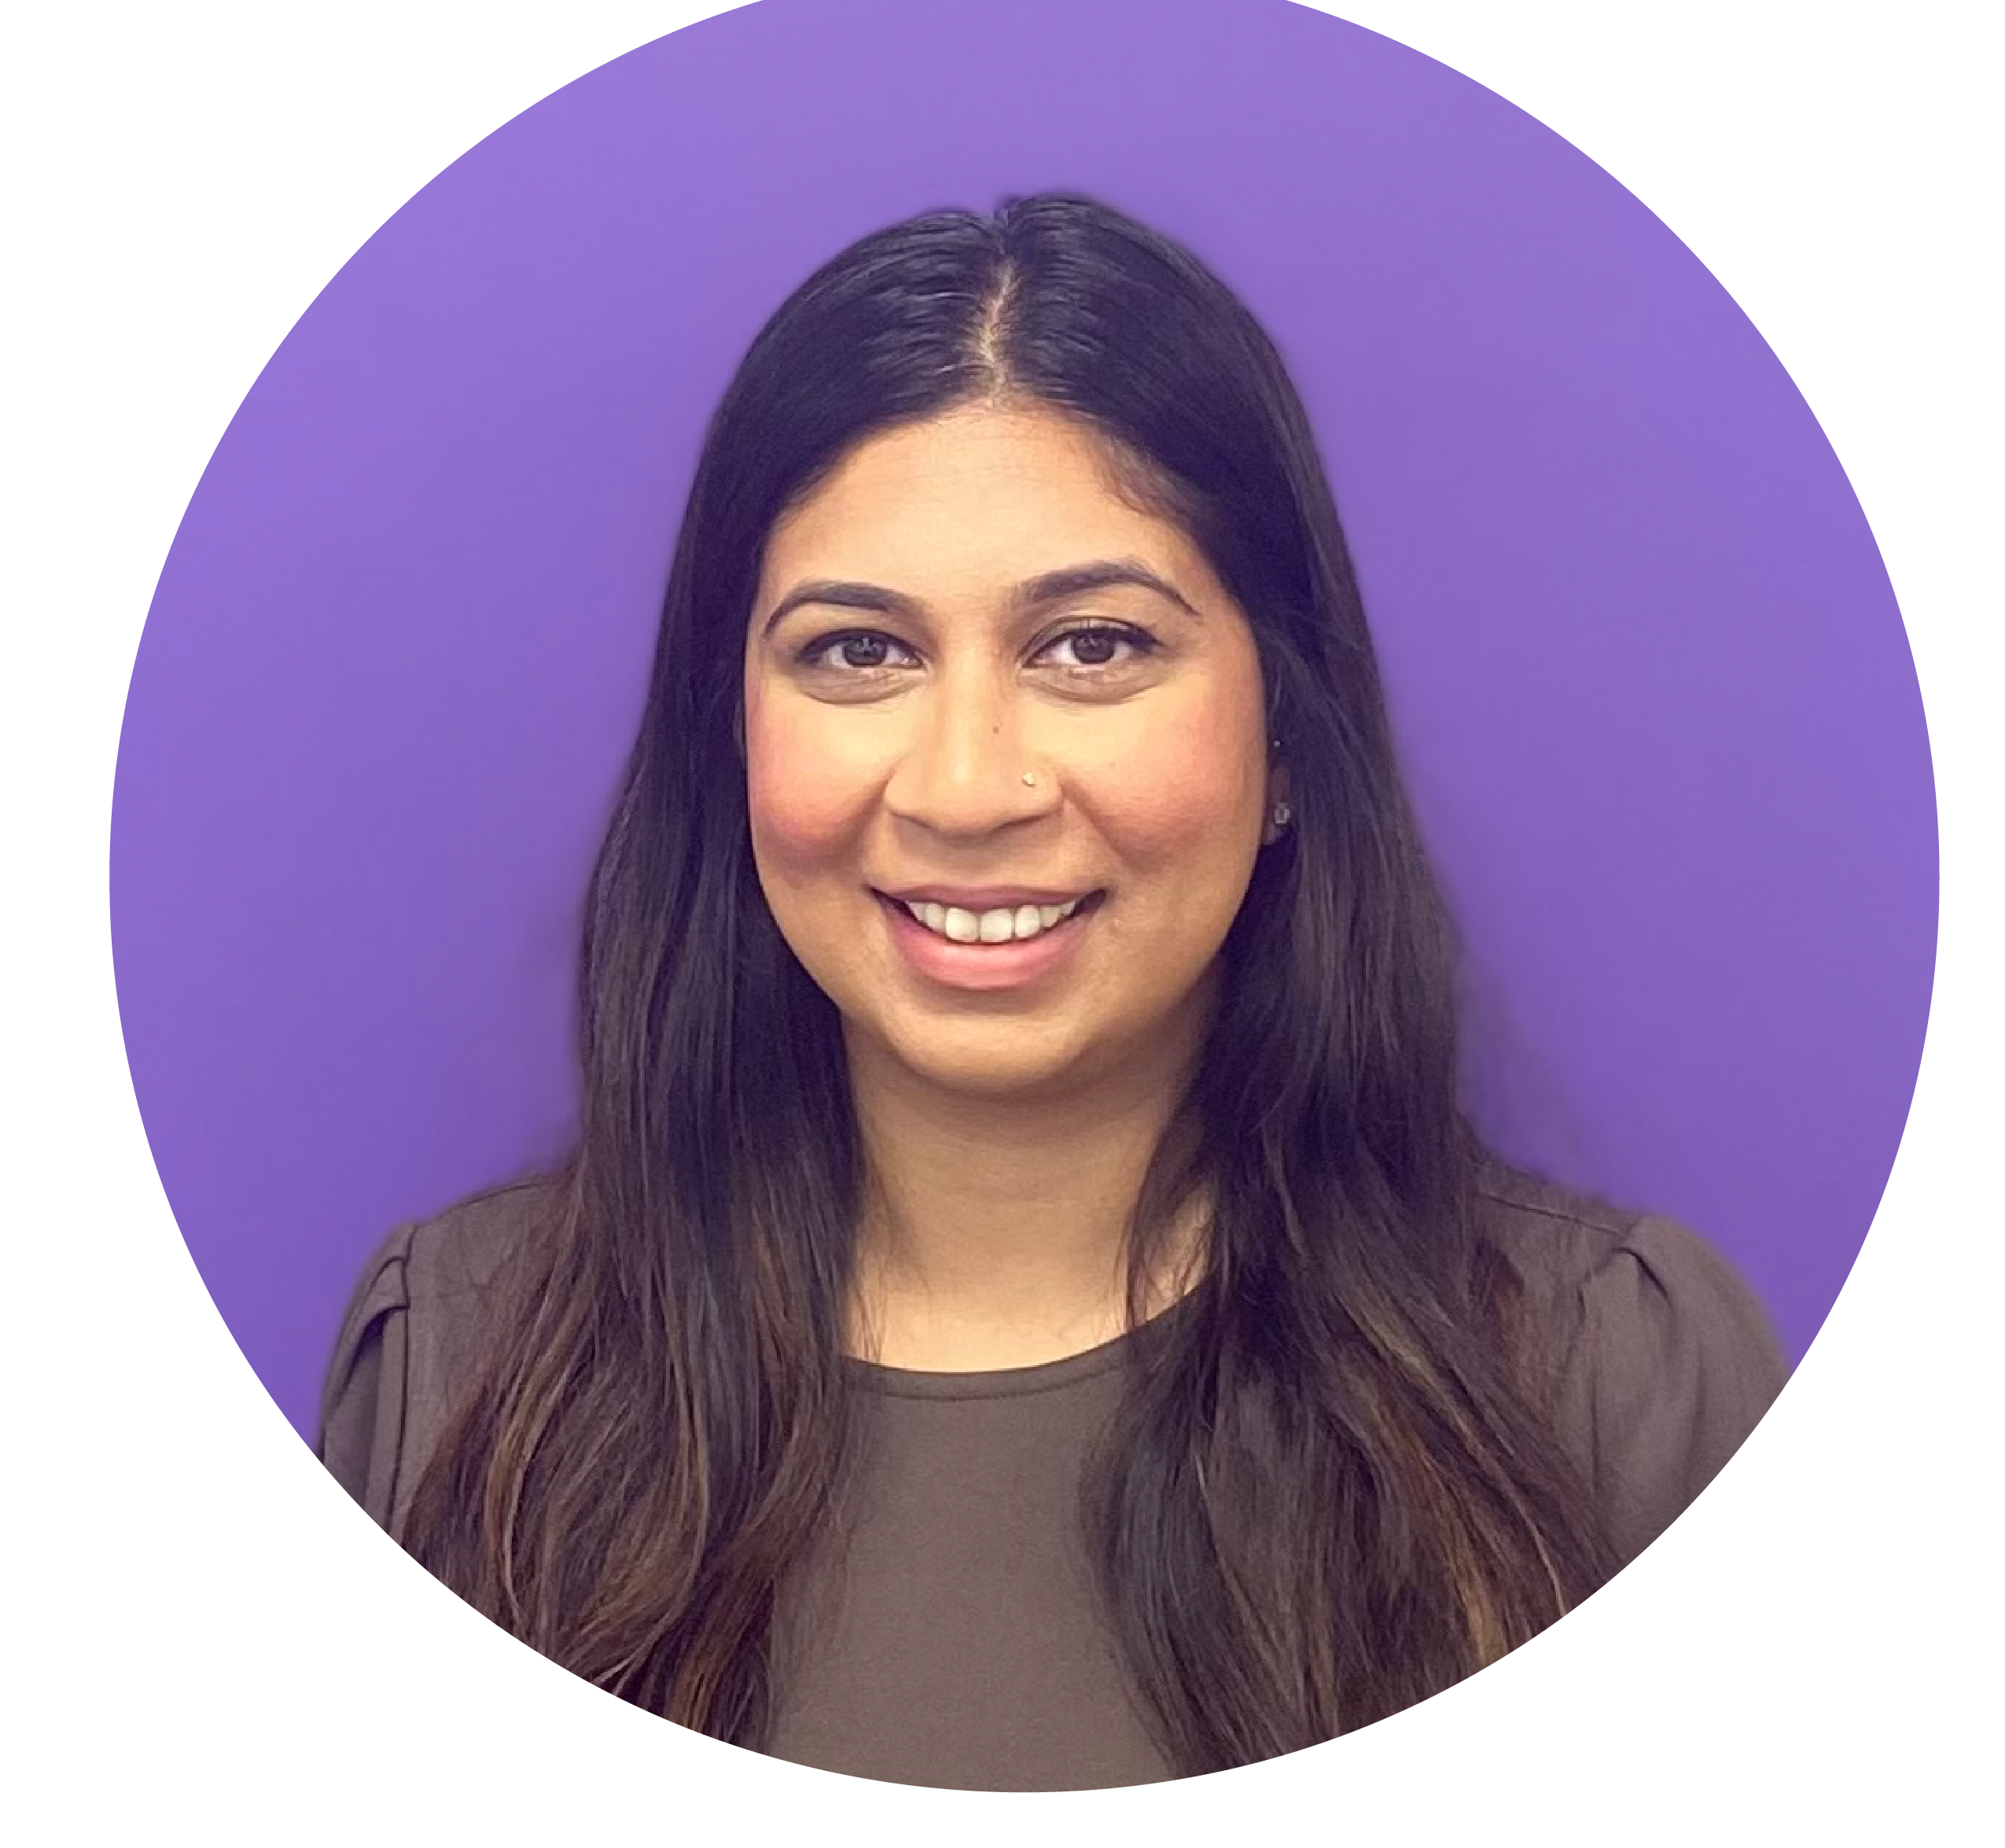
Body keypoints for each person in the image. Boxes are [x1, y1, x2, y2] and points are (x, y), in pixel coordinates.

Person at [317, 193, 1787, 1792]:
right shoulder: (461, 1381)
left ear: (1288, 740)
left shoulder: (1611, 1386)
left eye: (1091, 646)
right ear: (730, 737)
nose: (966, 785)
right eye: (857, 653)